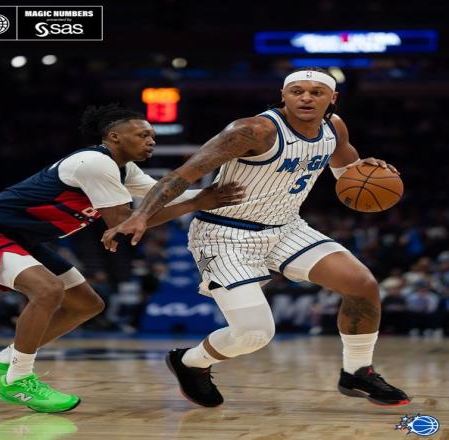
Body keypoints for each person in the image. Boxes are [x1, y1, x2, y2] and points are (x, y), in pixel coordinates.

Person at [107, 68, 410, 408]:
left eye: (316, 92)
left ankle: (357, 371)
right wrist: (141, 215)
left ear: (332, 98)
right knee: (254, 334)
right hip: (224, 234)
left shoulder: (334, 127)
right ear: (283, 95)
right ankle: (189, 361)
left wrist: (365, 171)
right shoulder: (252, 131)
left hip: (285, 227)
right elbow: (181, 175)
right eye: (297, 91)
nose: (306, 98)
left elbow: (344, 171)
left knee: (362, 285)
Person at [0, 104, 242, 413]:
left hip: (21, 238)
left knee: (86, 304)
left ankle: (4, 361)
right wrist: (197, 203)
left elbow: (164, 197)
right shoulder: (94, 163)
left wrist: (218, 199)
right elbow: (126, 222)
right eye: (142, 135)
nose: (151, 141)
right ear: (114, 136)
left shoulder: (124, 170)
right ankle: (17, 380)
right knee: (48, 291)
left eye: (152, 136)